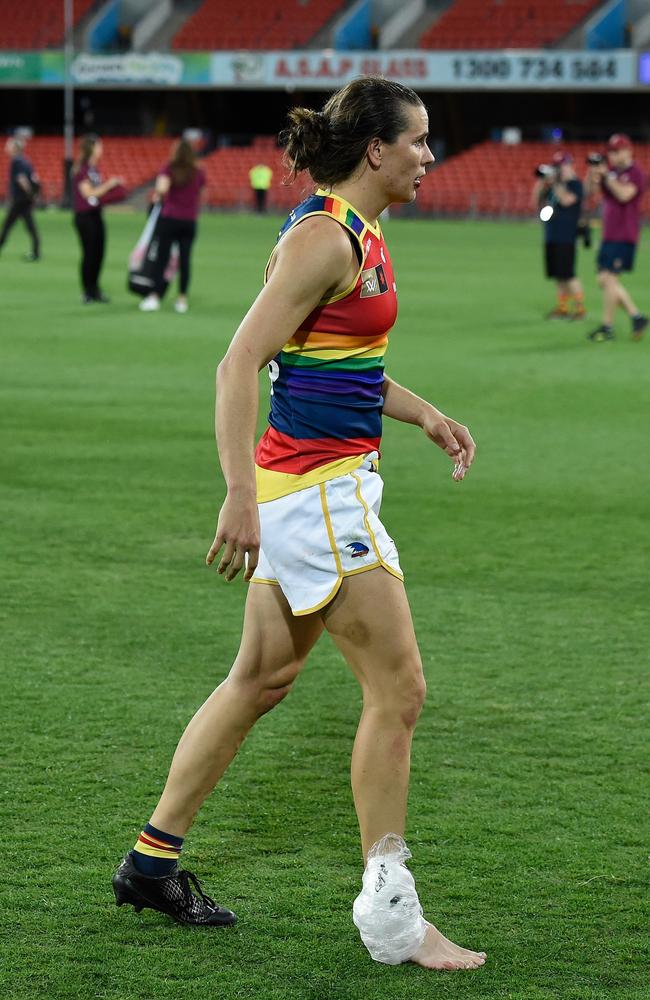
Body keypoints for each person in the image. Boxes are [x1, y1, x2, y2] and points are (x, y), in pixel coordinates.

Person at [112, 77, 486, 973]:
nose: (429, 156)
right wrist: (238, 493)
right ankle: (395, 921)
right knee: (399, 690)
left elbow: (340, 365)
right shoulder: (324, 238)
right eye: (420, 141)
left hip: (310, 489)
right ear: (375, 150)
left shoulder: (354, 231)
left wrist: (423, 413)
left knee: (260, 679)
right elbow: (240, 362)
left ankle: (150, 862)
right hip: (315, 496)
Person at [585, 133, 647, 342]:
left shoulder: (637, 173)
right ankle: (636, 316)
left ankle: (607, 326)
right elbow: (591, 193)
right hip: (609, 234)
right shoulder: (609, 172)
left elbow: (624, 195)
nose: (613, 155)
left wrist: (608, 177)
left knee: (610, 278)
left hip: (624, 234)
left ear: (629, 151)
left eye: (617, 150)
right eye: (611, 151)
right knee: (603, 279)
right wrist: (593, 173)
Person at [139, 139, 205, 314]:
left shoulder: (169, 168)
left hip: (169, 218)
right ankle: (182, 299)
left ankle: (154, 296)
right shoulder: (198, 172)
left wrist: (158, 199)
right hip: (189, 220)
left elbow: (161, 189)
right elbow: (200, 193)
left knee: (162, 258)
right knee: (185, 260)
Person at [532, 152, 586, 320]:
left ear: (569, 165)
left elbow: (566, 200)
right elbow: (535, 202)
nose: (558, 170)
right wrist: (542, 181)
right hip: (551, 234)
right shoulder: (552, 186)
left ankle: (579, 308)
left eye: (560, 166)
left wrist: (555, 182)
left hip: (566, 236)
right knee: (558, 274)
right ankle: (562, 308)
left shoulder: (575, 184)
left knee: (568, 274)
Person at [72, 134, 123, 304]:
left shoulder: (94, 169)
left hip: (96, 215)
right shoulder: (83, 169)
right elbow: (88, 194)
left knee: (99, 253)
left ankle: (95, 289)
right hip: (85, 217)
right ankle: (87, 291)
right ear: (92, 148)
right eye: (99, 146)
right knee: (89, 254)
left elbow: (97, 195)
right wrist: (110, 184)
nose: (102, 149)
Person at [0, 136, 40, 261]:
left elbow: (22, 179)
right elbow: (35, 178)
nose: (6, 147)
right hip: (25, 199)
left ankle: (36, 252)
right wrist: (33, 195)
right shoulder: (26, 160)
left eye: (9, 145)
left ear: (15, 148)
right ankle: (36, 252)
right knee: (29, 225)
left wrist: (30, 194)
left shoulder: (16, 161)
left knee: (7, 225)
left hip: (20, 199)